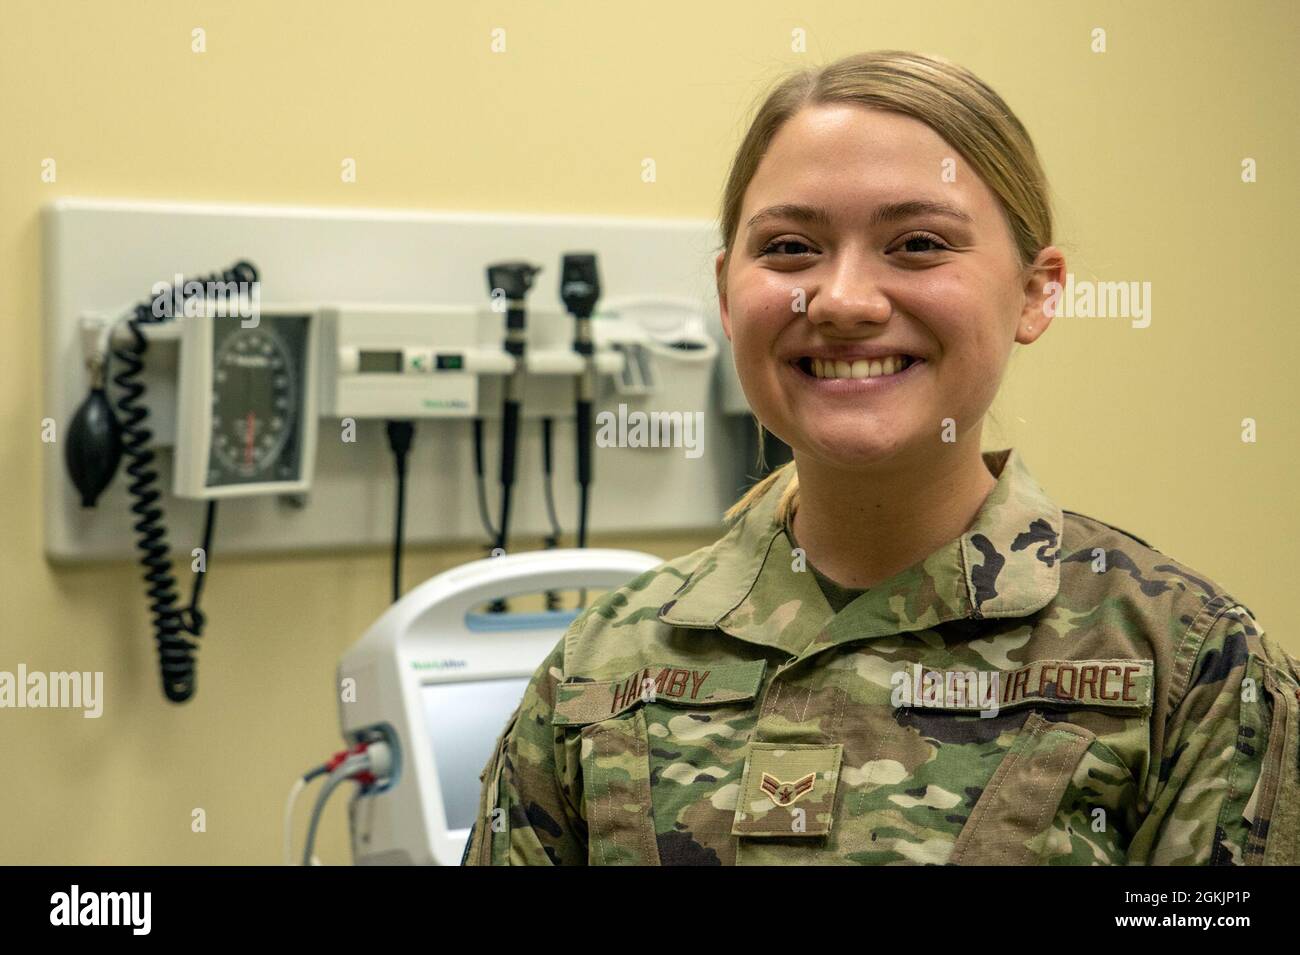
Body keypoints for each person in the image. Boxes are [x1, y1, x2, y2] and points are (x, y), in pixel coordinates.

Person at [463, 50, 1299, 866]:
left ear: (1037, 290)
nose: (845, 302)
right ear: (726, 293)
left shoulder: (1184, 669)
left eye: (920, 244)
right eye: (790, 248)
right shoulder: (601, 670)